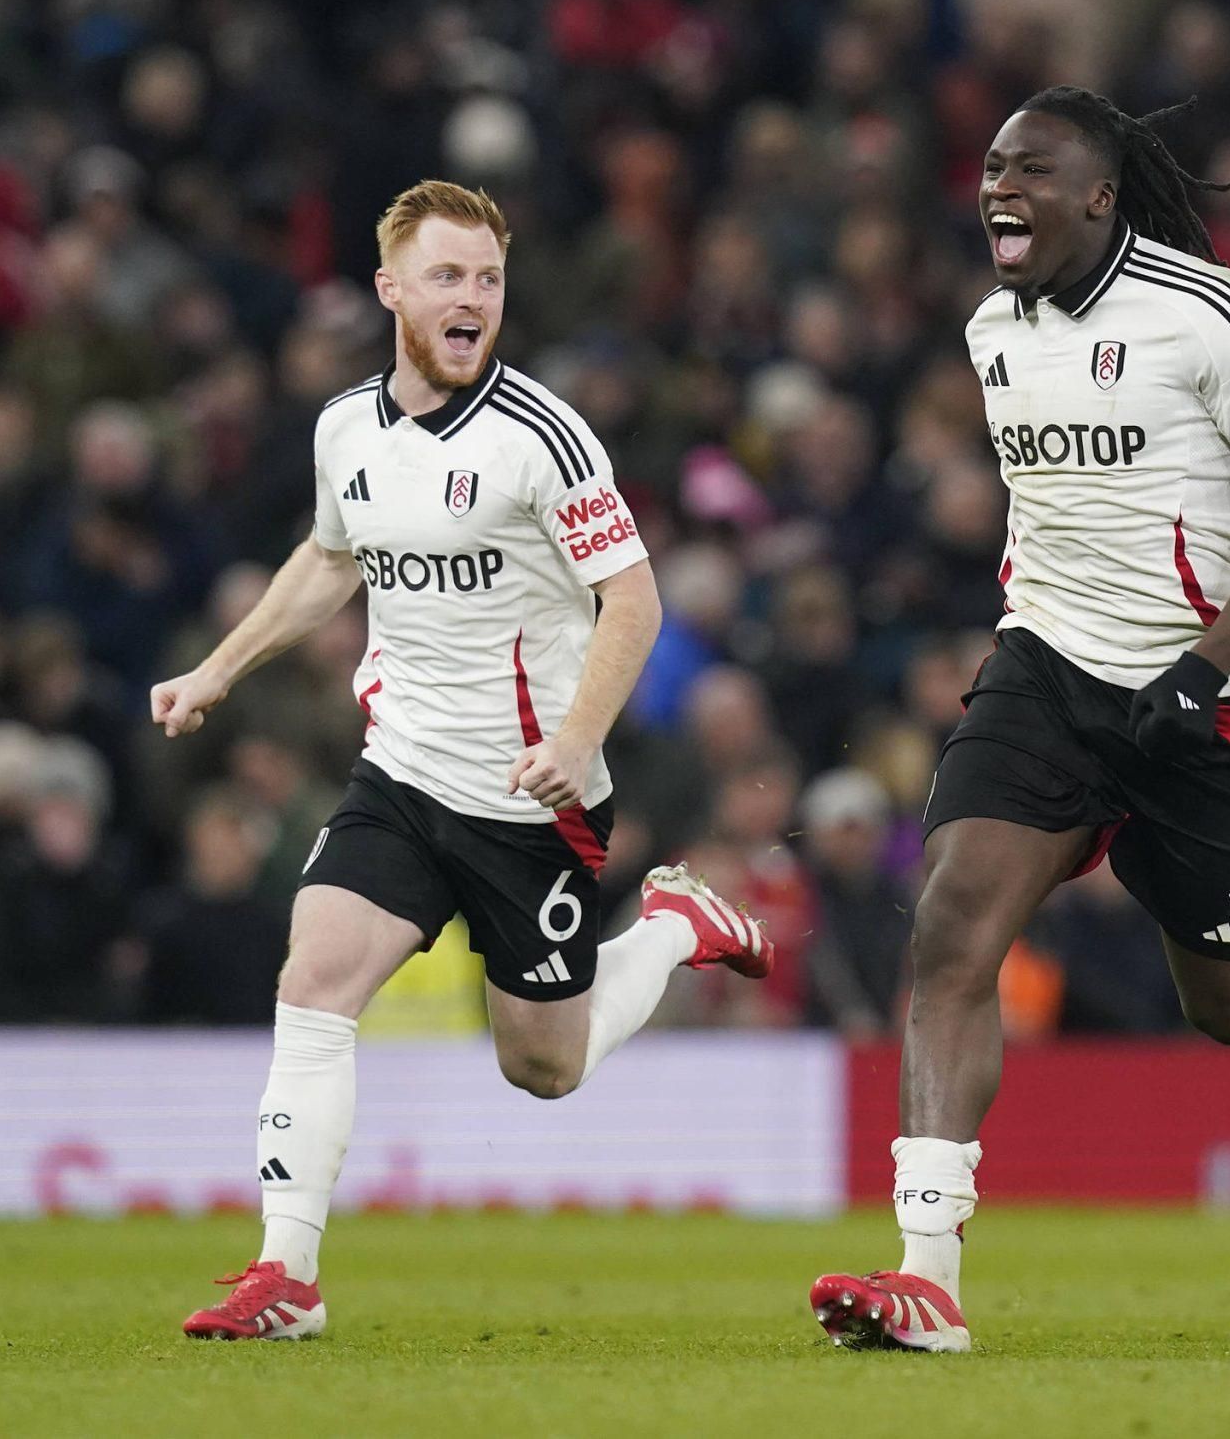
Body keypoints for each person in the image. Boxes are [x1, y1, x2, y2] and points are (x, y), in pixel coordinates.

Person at [808, 88, 1230, 1353]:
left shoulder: (1203, 310)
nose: (1000, 186)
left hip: (1200, 699)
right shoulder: (989, 331)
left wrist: (1208, 657)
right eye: (993, 165)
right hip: (1045, 673)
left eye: (1035, 168)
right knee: (952, 917)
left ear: (1101, 195)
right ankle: (928, 1277)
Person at [150, 181, 773, 1341]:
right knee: (313, 979)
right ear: (390, 289)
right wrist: (218, 669)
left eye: (487, 278)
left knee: (543, 1066)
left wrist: (576, 737)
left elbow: (631, 598)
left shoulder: (543, 436)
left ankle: (676, 924)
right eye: (447, 276)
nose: (472, 299)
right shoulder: (346, 427)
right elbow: (331, 558)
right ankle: (287, 1273)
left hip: (530, 797)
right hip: (399, 770)